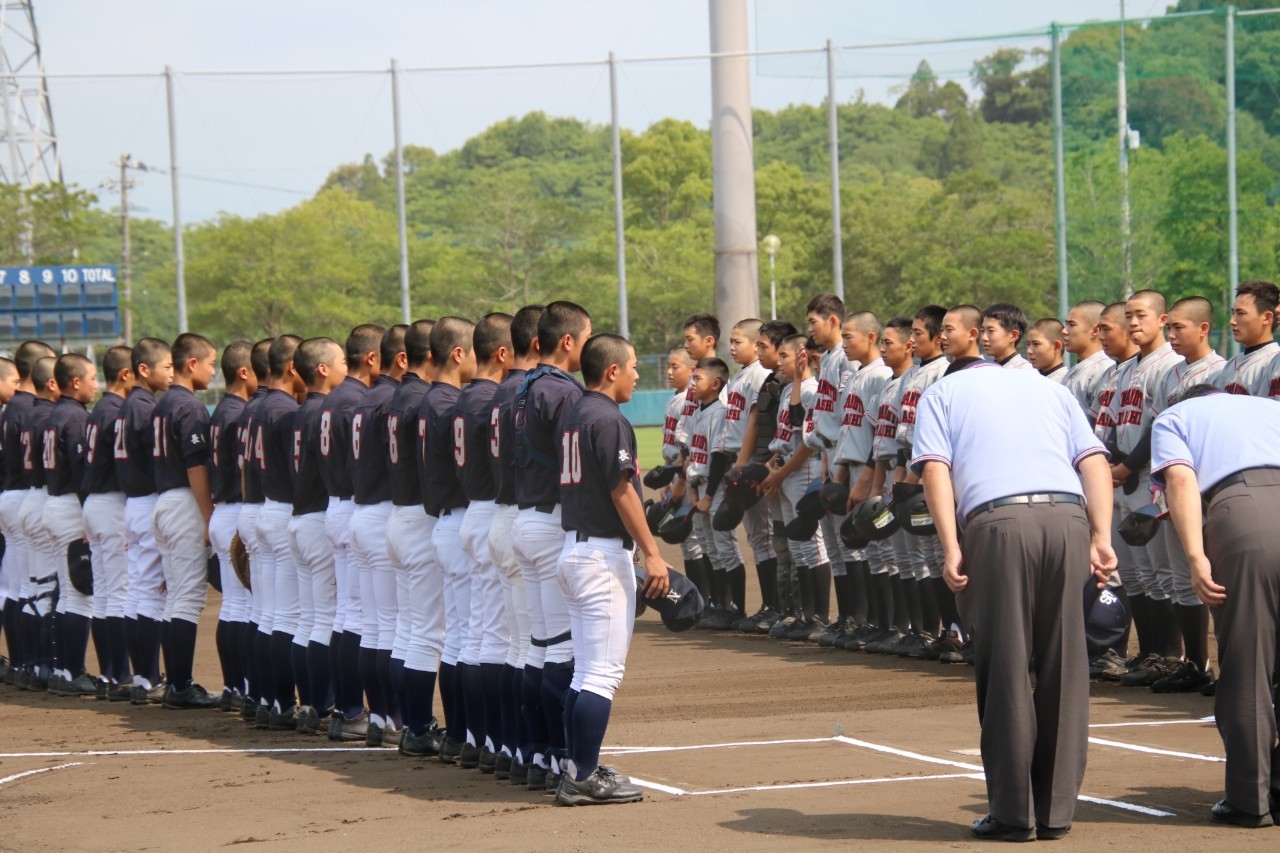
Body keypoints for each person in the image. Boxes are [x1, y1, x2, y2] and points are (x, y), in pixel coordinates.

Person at [912, 357, 1116, 841]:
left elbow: (935, 469)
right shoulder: (1048, 388)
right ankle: (1055, 813)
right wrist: (1102, 535)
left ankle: (1013, 815)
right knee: (1064, 665)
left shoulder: (941, 394)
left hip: (999, 522)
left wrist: (951, 546)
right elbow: (1093, 460)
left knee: (1006, 665)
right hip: (1068, 518)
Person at [1152, 385, 1280, 829]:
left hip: (1245, 514)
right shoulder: (1269, 407)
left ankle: (1251, 801)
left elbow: (1181, 480)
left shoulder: (1174, 417)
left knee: (1248, 663)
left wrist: (1195, 556)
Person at [554, 332, 671, 806]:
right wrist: (652, 551)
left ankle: (574, 767)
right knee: (600, 675)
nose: (639, 374)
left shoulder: (575, 413)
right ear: (611, 371)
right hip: (600, 557)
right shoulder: (607, 417)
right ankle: (582, 776)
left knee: (584, 673)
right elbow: (622, 491)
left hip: (575, 551)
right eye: (634, 365)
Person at [510, 301, 591, 790]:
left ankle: (535, 753)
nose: (588, 345)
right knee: (561, 651)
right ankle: (562, 756)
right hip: (552, 521)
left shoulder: (522, 387)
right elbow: (576, 465)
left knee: (539, 648)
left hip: (525, 519)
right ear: (567, 341)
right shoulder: (561, 392)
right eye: (585, 337)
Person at [1111, 290, 1184, 688]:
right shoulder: (1125, 369)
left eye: (1141, 315)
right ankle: (1154, 651)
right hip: (1125, 479)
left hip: (1150, 480)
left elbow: (1160, 428)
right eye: (1129, 316)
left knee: (1163, 573)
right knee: (1136, 573)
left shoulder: (1169, 365)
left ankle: (1173, 656)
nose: (1134, 323)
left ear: (1163, 319)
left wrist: (1123, 467)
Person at [455, 313, 513, 772]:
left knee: (476, 635)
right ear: (501, 352)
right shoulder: (494, 398)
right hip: (492, 511)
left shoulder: (461, 399)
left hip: (471, 512)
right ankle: (495, 743)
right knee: (498, 639)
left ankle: (477, 738)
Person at [487, 304, 543, 783]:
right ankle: (536, 754)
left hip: (496, 516)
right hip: (529, 519)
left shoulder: (494, 393)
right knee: (539, 648)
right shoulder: (537, 392)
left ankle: (509, 748)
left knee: (514, 646)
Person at [317, 325, 381, 740]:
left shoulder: (334, 398)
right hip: (353, 505)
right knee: (359, 616)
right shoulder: (357, 398)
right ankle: (354, 709)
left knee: (346, 614)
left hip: (336, 506)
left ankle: (347, 708)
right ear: (372, 359)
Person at [150, 332, 220, 710]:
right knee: (187, 598)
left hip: (164, 501)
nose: (213, 370)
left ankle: (176, 681)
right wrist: (208, 516)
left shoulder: (162, 404)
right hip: (183, 502)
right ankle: (179, 685)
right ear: (191, 364)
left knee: (176, 597)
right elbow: (196, 466)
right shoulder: (190, 406)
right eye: (210, 363)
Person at [421, 316, 478, 765]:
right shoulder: (450, 403)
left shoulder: (430, 400)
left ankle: (459, 734)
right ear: (458, 354)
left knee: (458, 636)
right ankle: (467, 734)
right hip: (459, 522)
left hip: (444, 522)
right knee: (472, 637)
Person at [384, 320, 440, 756]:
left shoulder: (395, 396)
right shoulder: (423, 398)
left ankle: (409, 723)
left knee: (407, 630)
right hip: (419, 519)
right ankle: (419, 727)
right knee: (425, 633)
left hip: (396, 514)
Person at [349, 325, 407, 747]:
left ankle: (380, 717)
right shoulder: (392, 399)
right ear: (400, 360)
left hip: (359, 511)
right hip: (384, 512)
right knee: (391, 626)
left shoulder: (364, 397)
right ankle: (394, 720)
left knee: (373, 625)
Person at [289, 337, 349, 735]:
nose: (347, 365)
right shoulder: (324, 410)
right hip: (316, 517)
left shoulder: (300, 412)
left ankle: (311, 702)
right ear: (323, 369)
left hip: (299, 518)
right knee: (325, 619)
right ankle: (324, 703)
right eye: (342, 359)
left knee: (308, 619)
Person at [250, 334, 305, 727]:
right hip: (284, 508)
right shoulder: (284, 408)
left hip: (262, 507)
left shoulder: (255, 405)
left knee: (267, 614)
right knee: (287, 616)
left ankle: (268, 700)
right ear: (291, 367)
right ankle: (282, 703)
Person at [116, 338, 174, 703]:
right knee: (150, 593)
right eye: (166, 366)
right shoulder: (143, 407)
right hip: (147, 500)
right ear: (143, 369)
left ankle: (142, 677)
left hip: (132, 503)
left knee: (138, 591)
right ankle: (148, 679)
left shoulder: (128, 405)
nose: (170, 372)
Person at [761, 334, 829, 640]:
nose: (779, 361)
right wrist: (772, 465)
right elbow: (784, 436)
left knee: (813, 545)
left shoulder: (812, 391)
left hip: (803, 470)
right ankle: (805, 615)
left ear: (802, 358)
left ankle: (822, 617)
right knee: (799, 548)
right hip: (785, 470)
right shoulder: (789, 389)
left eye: (785, 356)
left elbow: (805, 444)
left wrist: (781, 472)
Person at [832, 312, 892, 648]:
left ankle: (885, 624)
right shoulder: (857, 375)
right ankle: (868, 623)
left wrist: (867, 480)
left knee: (878, 549)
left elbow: (879, 434)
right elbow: (849, 429)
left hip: (872, 472)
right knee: (859, 549)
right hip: (852, 468)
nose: (844, 344)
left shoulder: (879, 375)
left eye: (849, 337)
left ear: (871, 337)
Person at [41, 353, 98, 697]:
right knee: (79, 595)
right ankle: (72, 671)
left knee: (67, 592)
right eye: (92, 378)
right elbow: (82, 471)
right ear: (75, 381)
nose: (96, 384)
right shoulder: (75, 417)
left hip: (54, 502)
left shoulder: (54, 414)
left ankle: (64, 669)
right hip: (69, 507)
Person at [0, 340, 56, 687]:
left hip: (13, 496)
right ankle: (38, 663)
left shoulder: (13, 408)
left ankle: (24, 663)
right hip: (28, 496)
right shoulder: (31, 409)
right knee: (38, 587)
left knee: (18, 586)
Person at [81, 345, 134, 700]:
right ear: (127, 375)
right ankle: (120, 675)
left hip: (93, 502)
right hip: (112, 503)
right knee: (118, 593)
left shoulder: (97, 409)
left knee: (103, 594)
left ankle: (108, 675)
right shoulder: (116, 412)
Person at [207, 341, 254, 711]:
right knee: (247, 607)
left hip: (222, 511)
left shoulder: (221, 410)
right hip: (237, 510)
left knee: (233, 606)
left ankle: (235, 686)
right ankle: (246, 686)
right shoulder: (238, 413)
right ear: (243, 372)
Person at [685, 356, 735, 628]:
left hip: (715, 489)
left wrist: (707, 495)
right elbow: (695, 456)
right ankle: (717, 604)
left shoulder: (720, 413)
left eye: (698, 379)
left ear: (715, 384)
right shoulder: (698, 412)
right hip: (700, 488)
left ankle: (731, 608)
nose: (693, 383)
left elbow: (718, 458)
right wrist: (693, 492)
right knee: (710, 550)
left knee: (725, 548)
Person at [1219, 279, 1280, 396]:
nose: (1232, 321)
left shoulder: (1274, 363)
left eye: (1241, 313)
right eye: (1233, 313)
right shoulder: (1230, 364)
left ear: (1267, 318)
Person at [1061, 300, 1111, 423]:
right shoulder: (1076, 369)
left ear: (1094, 331)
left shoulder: (1103, 370)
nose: (1064, 331)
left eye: (1072, 325)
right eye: (1066, 324)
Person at [980, 303, 1033, 370]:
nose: (984, 337)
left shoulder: (1026, 372)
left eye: (991, 331)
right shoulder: (986, 369)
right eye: (982, 331)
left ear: (1013, 335)